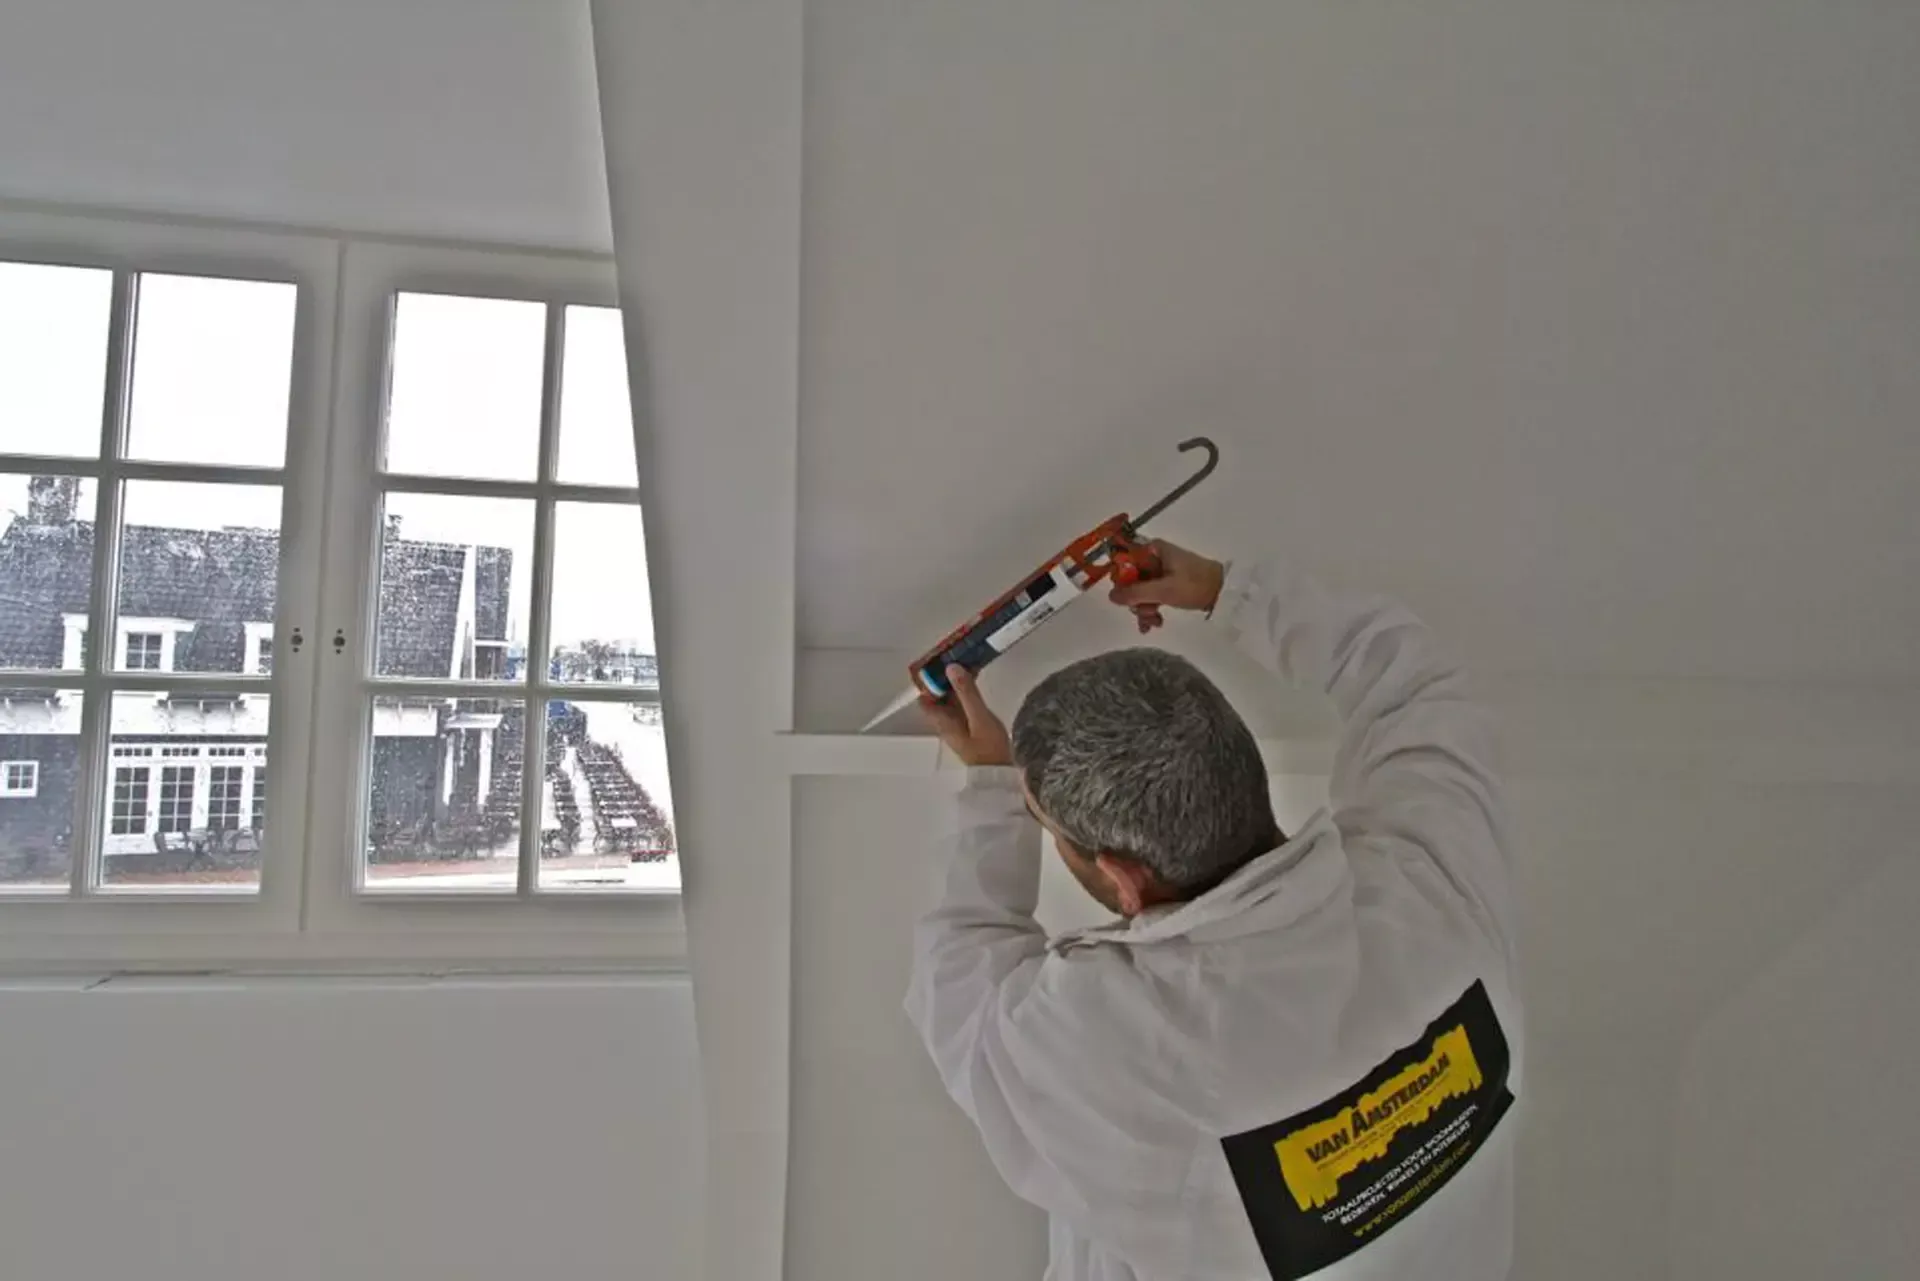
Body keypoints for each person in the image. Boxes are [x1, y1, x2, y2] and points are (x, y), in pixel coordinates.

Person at [906, 542, 1523, 1281]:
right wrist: (1231, 593)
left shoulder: (1106, 1046)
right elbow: (1414, 685)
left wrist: (991, 783)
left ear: (1124, 879)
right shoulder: (1434, 885)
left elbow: (960, 983)